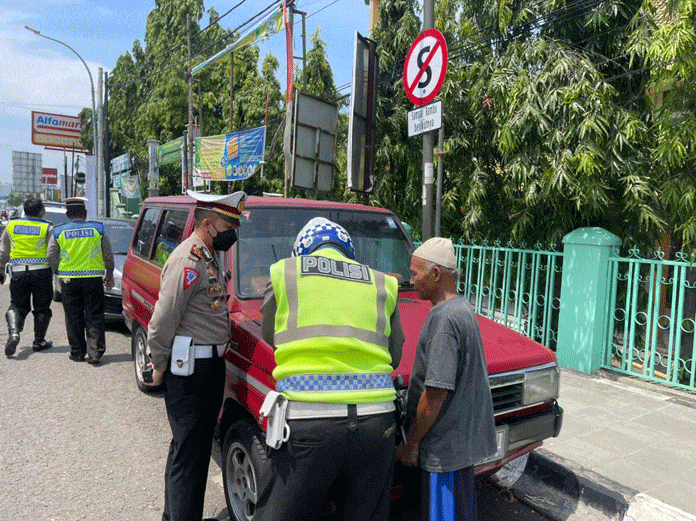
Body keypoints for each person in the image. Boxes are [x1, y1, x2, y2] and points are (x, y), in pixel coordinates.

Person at [257, 217, 405, 521]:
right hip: (376, 421)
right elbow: (396, 351)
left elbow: (271, 334)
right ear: (348, 250)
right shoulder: (382, 282)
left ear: (303, 252)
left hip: (308, 420)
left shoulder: (286, 272)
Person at [144, 190, 246, 521]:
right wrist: (157, 364)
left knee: (195, 451)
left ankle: (177, 515)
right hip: (191, 371)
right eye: (228, 226)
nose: (233, 234)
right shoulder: (187, 260)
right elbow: (163, 319)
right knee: (188, 453)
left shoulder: (208, 255)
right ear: (206, 223)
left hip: (208, 367)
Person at [397, 237, 497, 521]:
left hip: (445, 455)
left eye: (416, 273)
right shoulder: (461, 309)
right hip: (458, 450)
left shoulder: (444, 320)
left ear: (437, 274)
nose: (412, 279)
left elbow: (436, 393)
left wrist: (412, 442)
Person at [46, 197, 115, 364]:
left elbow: (50, 255)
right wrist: (110, 274)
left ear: (67, 214)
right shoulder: (98, 229)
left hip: (69, 281)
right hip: (93, 279)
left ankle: (77, 352)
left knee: (73, 316)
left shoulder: (58, 231)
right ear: (85, 213)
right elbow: (107, 254)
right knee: (95, 314)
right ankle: (95, 353)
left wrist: (58, 272)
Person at [0, 196, 54, 357]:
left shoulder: (11, 225)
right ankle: (39, 341)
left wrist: (1, 271)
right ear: (42, 212)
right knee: (42, 307)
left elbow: (3, 252)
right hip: (41, 272)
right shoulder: (47, 227)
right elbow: (52, 252)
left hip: (17, 273)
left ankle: (14, 332)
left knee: (17, 305)